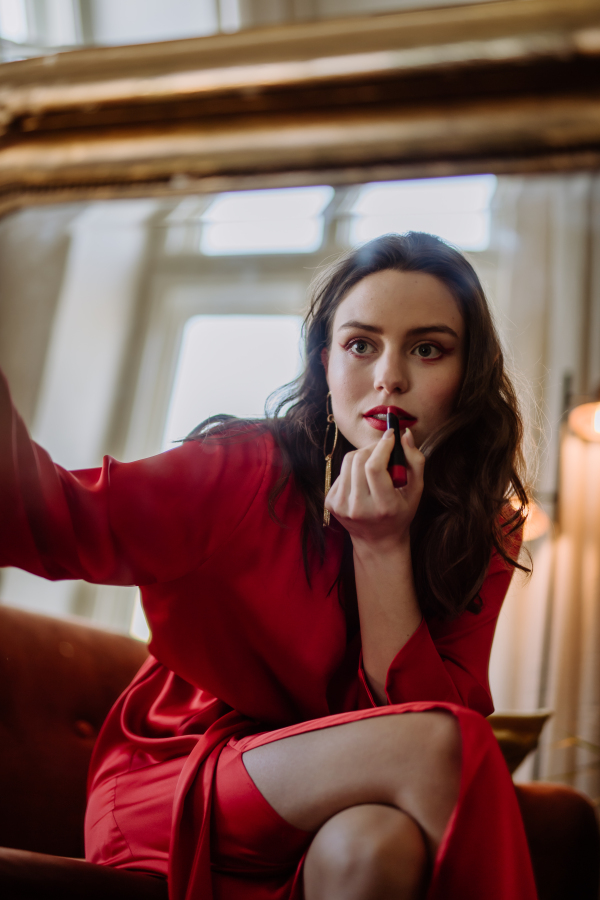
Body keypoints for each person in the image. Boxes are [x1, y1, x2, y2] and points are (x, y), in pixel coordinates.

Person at [0, 232, 538, 900]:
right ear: (325, 363)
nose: (389, 377)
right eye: (361, 345)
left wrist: (381, 546)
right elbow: (49, 516)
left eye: (427, 349)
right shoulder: (247, 468)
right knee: (447, 745)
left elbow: (420, 723)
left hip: (334, 808)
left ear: (469, 375)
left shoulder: (483, 530)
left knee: (376, 845)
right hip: (180, 775)